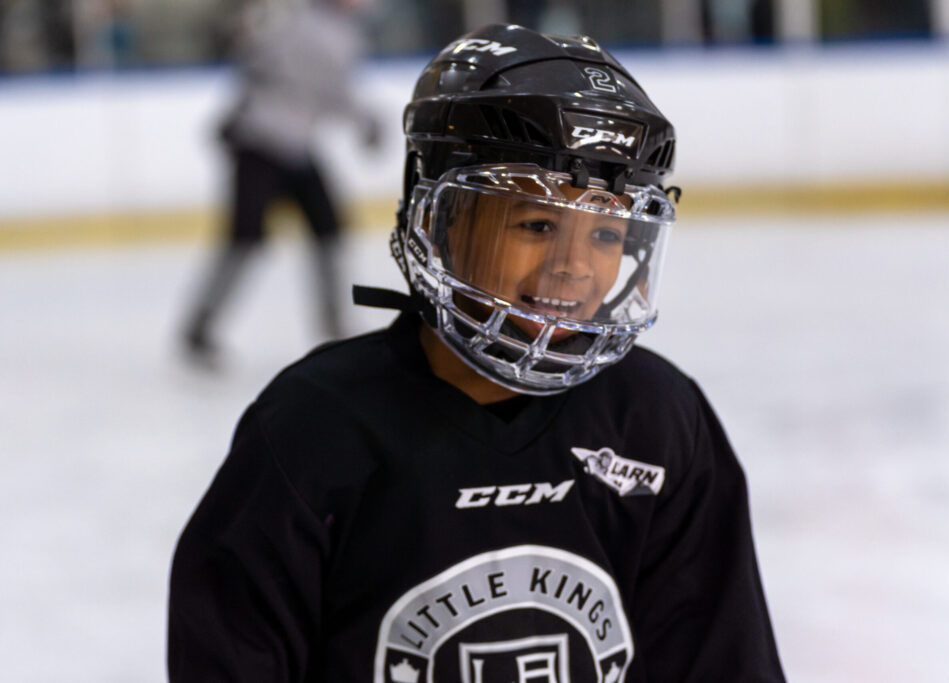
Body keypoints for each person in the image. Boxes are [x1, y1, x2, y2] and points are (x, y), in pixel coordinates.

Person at [168, 24, 786, 682]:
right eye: (537, 223)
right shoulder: (311, 430)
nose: (575, 266)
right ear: (439, 219)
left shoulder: (658, 422)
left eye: (608, 231)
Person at [180, 0, 380, 365]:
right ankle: (201, 327)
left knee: (326, 229)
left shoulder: (308, 24)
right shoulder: (319, 30)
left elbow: (255, 58)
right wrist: (366, 122)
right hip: (262, 143)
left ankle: (333, 322)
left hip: (291, 147)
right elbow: (330, 90)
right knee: (248, 236)